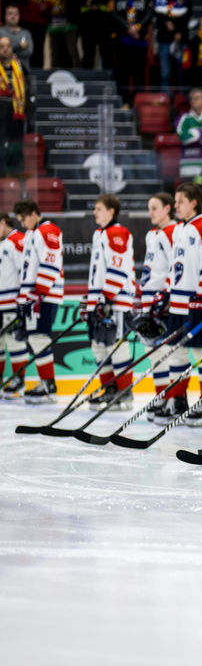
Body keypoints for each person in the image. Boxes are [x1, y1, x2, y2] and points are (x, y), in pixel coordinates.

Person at [161, 184, 202, 425]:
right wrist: (167, 294)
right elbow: (175, 266)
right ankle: (178, 400)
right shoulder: (181, 229)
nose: (175, 206)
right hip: (178, 303)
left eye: (180, 201)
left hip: (197, 304)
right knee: (175, 354)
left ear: (194, 202)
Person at [83, 194, 135, 410]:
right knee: (99, 347)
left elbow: (118, 268)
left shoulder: (117, 233)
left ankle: (124, 394)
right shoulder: (100, 234)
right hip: (101, 301)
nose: (95, 212)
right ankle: (110, 389)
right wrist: (90, 300)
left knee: (117, 348)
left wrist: (105, 298)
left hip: (115, 302)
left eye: (99, 209)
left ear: (111, 211)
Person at [13, 199, 61, 403]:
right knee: (35, 338)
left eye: (23, 219)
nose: (22, 224)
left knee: (40, 338)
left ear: (33, 213)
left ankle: (49, 387)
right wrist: (23, 300)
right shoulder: (32, 234)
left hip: (43, 296)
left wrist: (37, 294)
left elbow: (50, 262)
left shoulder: (48, 230)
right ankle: (46, 383)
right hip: (34, 296)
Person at [138, 192, 177, 409]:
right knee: (152, 353)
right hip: (148, 299)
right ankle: (160, 396)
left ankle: (171, 397)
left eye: (154, 207)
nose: (150, 212)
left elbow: (175, 266)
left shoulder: (173, 232)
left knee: (166, 351)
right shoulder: (151, 234)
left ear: (167, 209)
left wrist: (166, 294)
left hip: (162, 300)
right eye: (149, 208)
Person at [1, 0, 54, 67]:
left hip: (40, 21)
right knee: (23, 48)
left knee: (39, 49)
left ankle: (38, 75)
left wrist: (46, 5)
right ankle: (20, 73)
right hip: (25, 20)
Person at [0, 212, 27, 398]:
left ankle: (19, 380)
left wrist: (22, 300)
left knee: (15, 342)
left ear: (2, 223)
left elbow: (25, 271)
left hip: (11, 302)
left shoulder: (17, 241)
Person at [153, 0, 189, 90]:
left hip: (181, 41)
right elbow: (157, 16)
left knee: (183, 72)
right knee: (165, 74)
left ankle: (182, 101)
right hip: (164, 41)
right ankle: (166, 99)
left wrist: (178, 31)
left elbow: (186, 19)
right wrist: (165, 23)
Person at [0, 34, 27, 176]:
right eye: (1, 47)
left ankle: (16, 174)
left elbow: (26, 89)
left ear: (12, 49)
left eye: (7, 46)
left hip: (16, 113)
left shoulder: (20, 66)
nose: (5, 49)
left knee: (16, 145)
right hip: (0, 113)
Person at [78, 0, 111, 70]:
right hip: (87, 18)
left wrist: (93, 2)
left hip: (103, 18)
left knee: (105, 51)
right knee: (88, 52)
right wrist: (87, 3)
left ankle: (108, 81)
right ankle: (86, 80)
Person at [48, 0, 81, 69]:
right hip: (53, 24)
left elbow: (76, 2)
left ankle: (78, 75)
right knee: (54, 53)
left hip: (68, 24)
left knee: (72, 51)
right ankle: (53, 78)